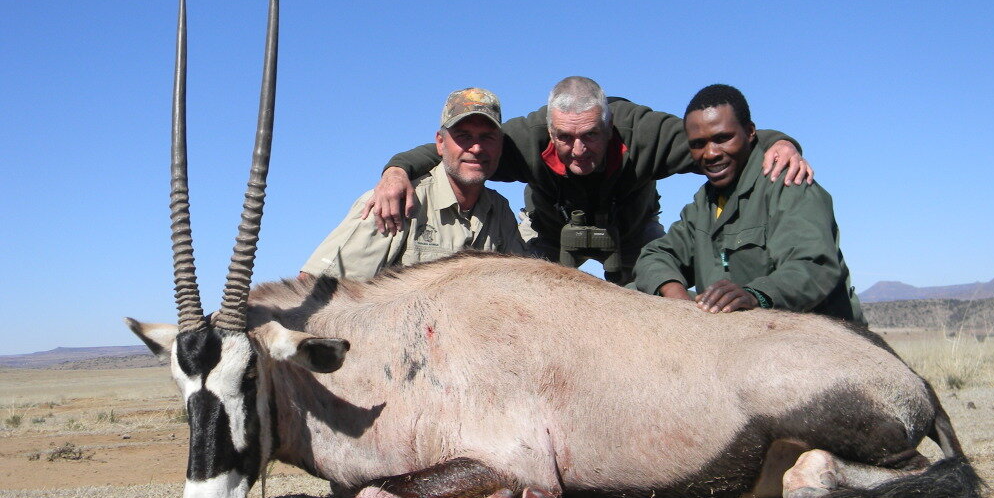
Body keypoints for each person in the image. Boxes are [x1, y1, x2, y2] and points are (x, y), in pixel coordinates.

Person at [364, 76, 812, 284]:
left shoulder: (649, 134)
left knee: (652, 308)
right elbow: (451, 150)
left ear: (610, 126)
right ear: (549, 128)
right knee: (533, 303)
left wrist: (781, 142)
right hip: (547, 232)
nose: (578, 150)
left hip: (633, 231)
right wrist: (396, 169)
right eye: (565, 138)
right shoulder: (522, 139)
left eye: (591, 137)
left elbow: (723, 140)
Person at [634, 84, 863, 321]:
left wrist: (756, 296)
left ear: (750, 132)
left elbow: (814, 267)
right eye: (698, 144)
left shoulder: (787, 184)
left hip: (820, 337)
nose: (710, 153)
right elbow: (656, 255)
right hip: (744, 338)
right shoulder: (704, 204)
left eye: (723, 138)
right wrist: (676, 297)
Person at [301, 88, 526, 281]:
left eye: (487, 137)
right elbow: (313, 289)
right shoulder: (393, 202)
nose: (476, 148)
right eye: (464, 136)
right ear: (440, 143)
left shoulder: (500, 211)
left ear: (500, 145)